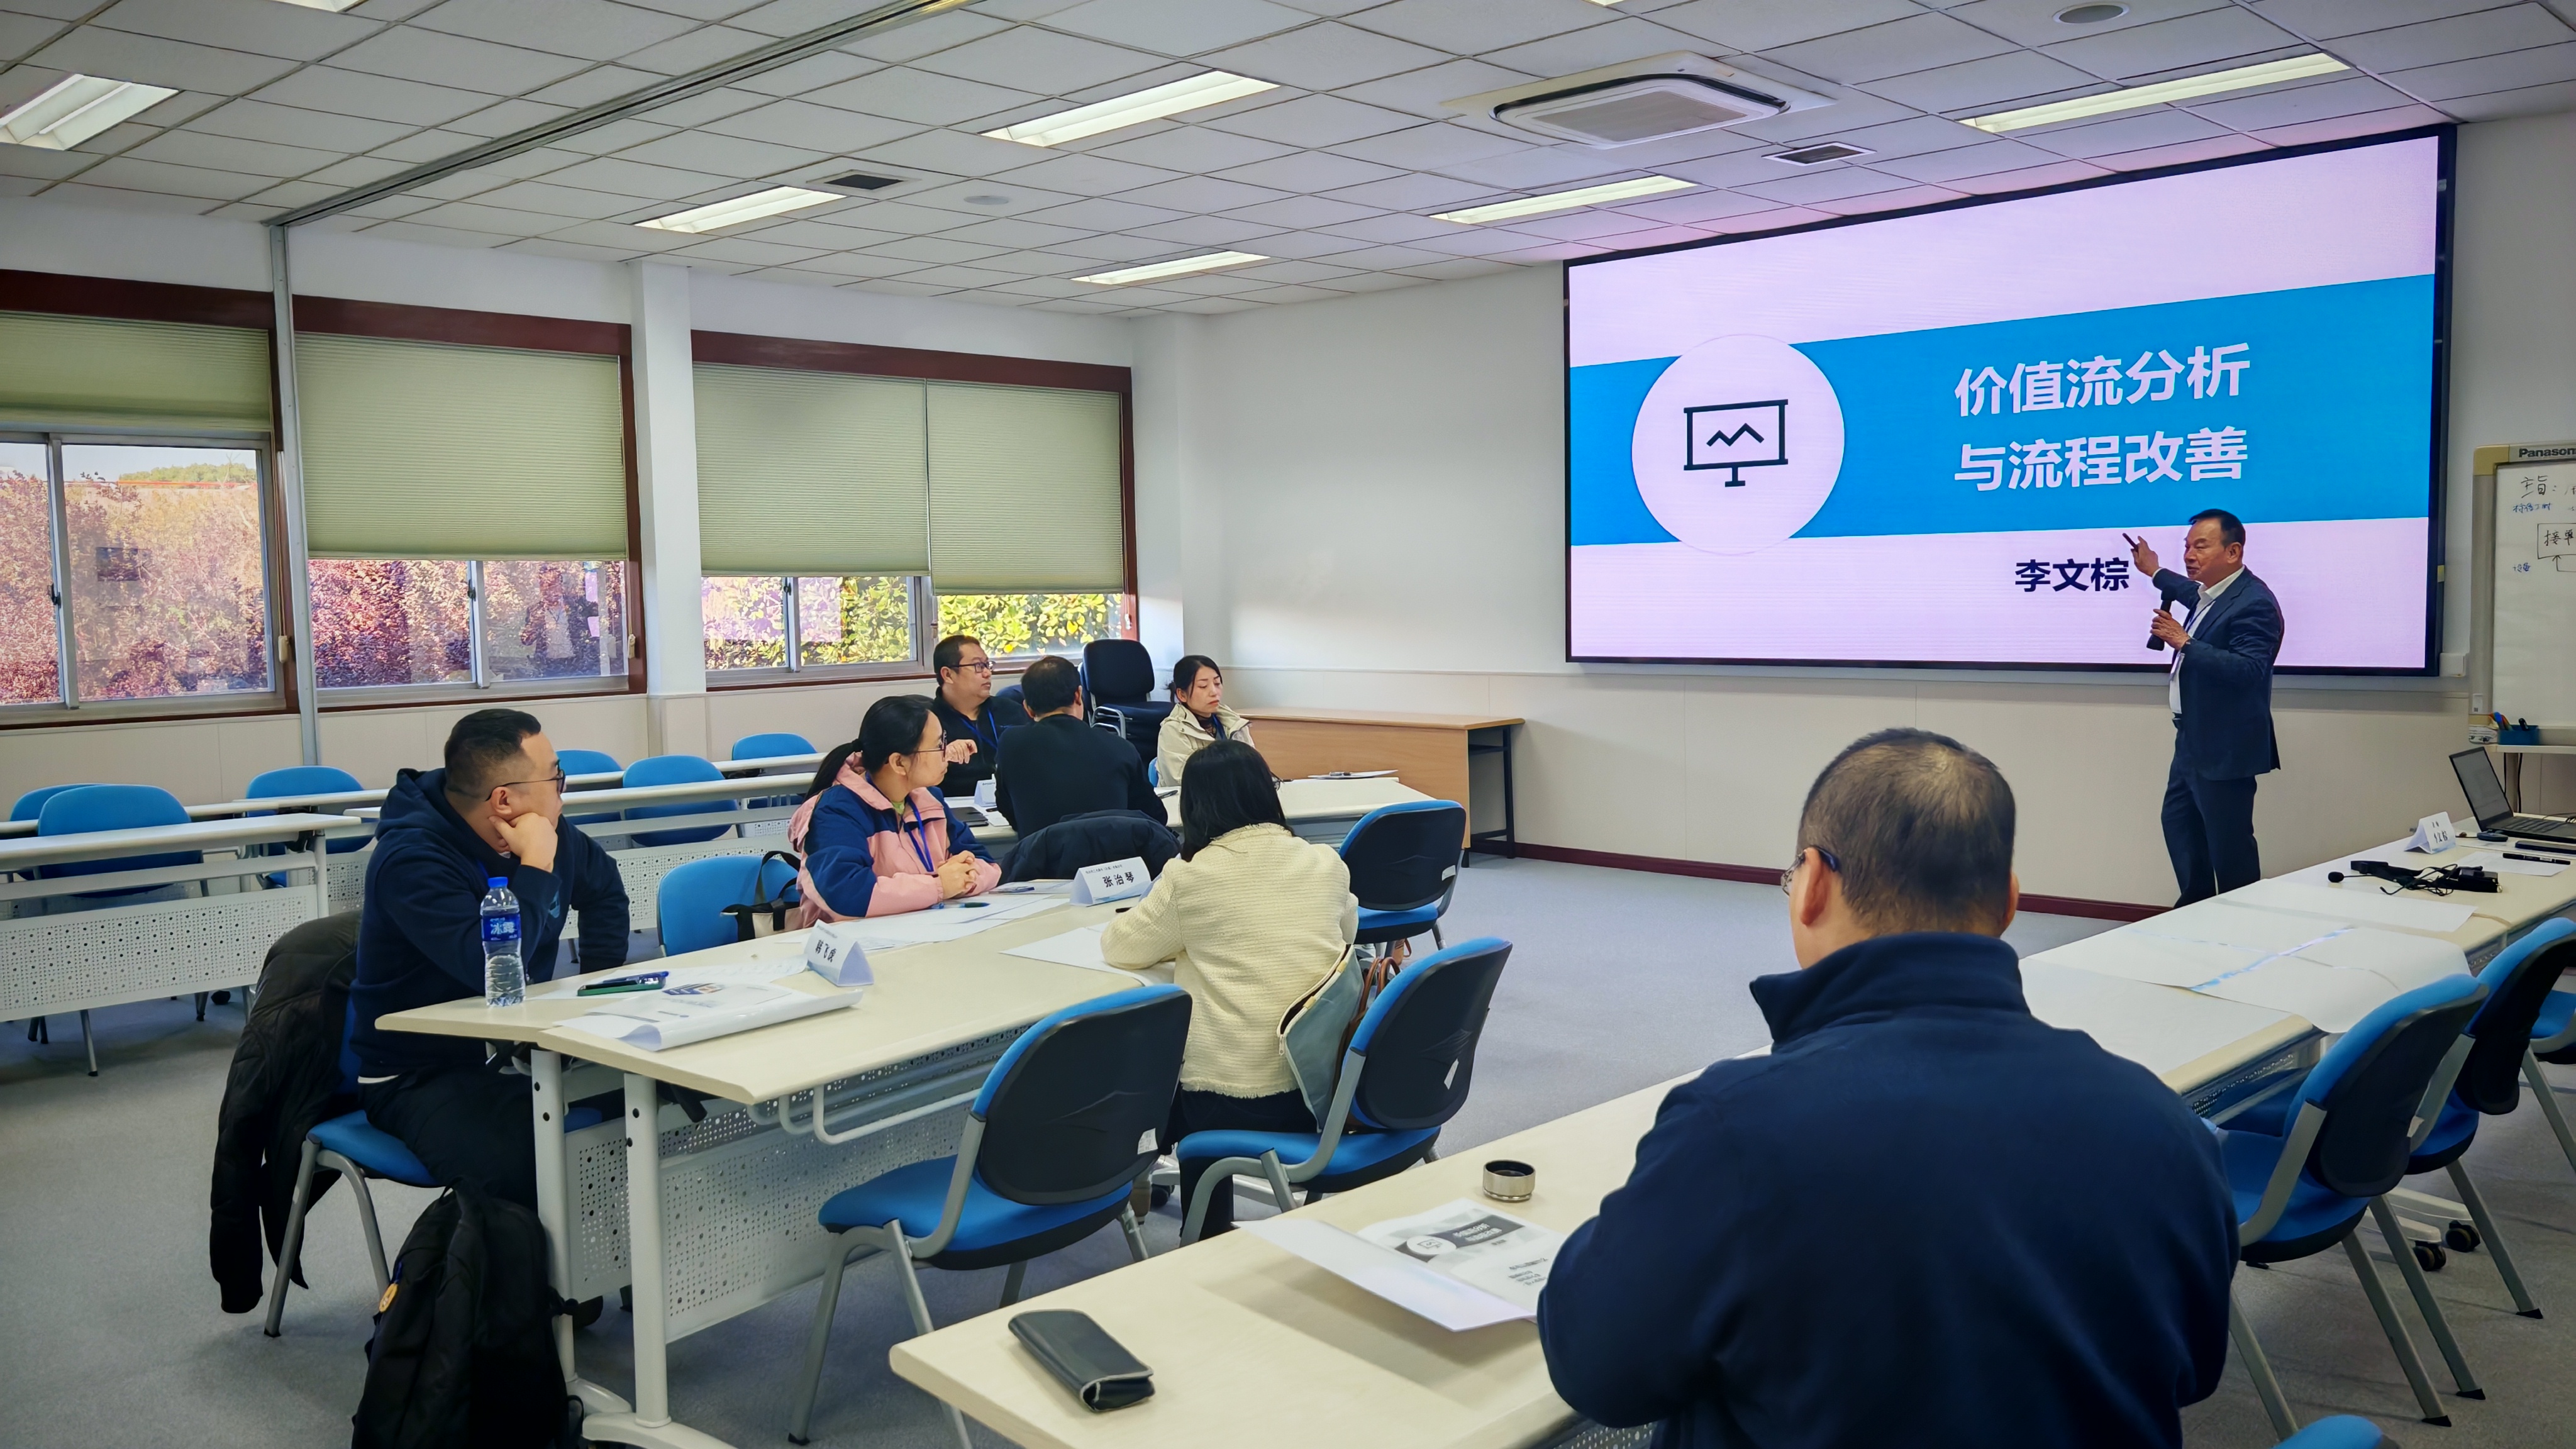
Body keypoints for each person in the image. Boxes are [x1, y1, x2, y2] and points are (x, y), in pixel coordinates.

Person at [1539, 728, 2234, 1449]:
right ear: (2008, 902)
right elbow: (2195, 1370)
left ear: (1811, 884)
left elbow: (1597, 1370)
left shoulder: (1735, 1134)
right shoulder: (2165, 1126)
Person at [350, 709, 630, 1210]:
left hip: (522, 1049)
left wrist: (596, 991)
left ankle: (632, 1258)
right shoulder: (412, 859)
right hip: (420, 1073)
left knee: (648, 1102)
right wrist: (536, 866)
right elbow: (496, 970)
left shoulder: (549, 832)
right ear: (504, 799)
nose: (562, 794)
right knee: (525, 1162)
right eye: (555, 778)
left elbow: (605, 889)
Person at [1102, 740, 1357, 1235]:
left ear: (1195, 808)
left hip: (1230, 1101)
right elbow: (1346, 930)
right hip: (1321, 1091)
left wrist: (1188, 945)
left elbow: (1121, 946)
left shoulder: (1190, 877)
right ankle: (1161, 1187)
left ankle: (1195, 1224)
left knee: (1150, 1083)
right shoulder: (1325, 863)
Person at [2129, 509, 2283, 904]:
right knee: (2179, 824)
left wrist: (2185, 643)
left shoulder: (2255, 602)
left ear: (2233, 552)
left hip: (2226, 747)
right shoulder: (2210, 593)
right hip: (2192, 739)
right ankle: (2195, 910)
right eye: (2187, 546)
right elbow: (2184, 588)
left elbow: (2250, 670)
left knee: (2229, 845)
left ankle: (2241, 919)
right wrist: (2153, 570)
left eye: (2200, 546)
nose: (2189, 555)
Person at [792, 694, 999, 920]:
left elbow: (987, 864)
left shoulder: (930, 800)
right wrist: (940, 885)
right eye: (938, 746)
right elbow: (846, 894)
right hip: (852, 938)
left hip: (926, 927)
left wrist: (963, 879)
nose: (946, 754)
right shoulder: (836, 811)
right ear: (899, 762)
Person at [993, 654, 1162, 838]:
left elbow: (1009, 810)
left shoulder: (1011, 744)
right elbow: (1154, 816)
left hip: (1041, 854)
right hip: (1113, 854)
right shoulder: (1121, 747)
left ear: (1028, 708)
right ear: (1078, 695)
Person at [928, 633, 1029, 800]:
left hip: (1012, 803)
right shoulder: (928, 723)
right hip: (955, 807)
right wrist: (941, 757)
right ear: (948, 675)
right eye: (978, 666)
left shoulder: (1011, 711)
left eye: (987, 665)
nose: (987, 673)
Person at [1156, 655, 1253, 789]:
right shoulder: (1172, 731)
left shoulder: (1233, 722)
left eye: (1217, 684)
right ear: (1182, 695)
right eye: (1203, 686)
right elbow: (1184, 784)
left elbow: (1252, 767)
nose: (1214, 692)